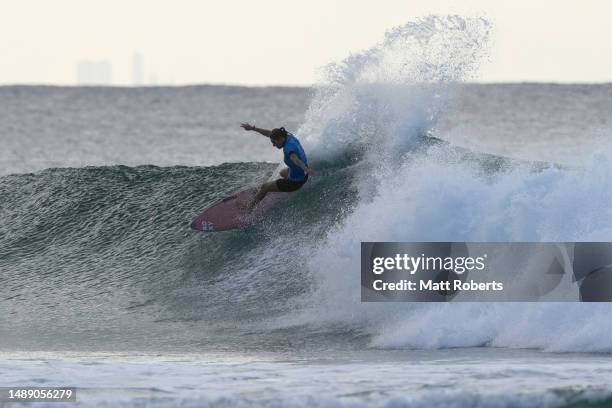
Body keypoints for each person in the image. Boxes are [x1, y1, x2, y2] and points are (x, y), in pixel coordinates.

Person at [240, 123, 314, 210]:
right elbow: (269, 134)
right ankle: (274, 187)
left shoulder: (288, 148)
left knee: (264, 187)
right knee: (282, 172)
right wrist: (253, 129)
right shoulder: (288, 136)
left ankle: (249, 208)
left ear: (280, 139)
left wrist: (306, 169)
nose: (273, 145)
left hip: (295, 183)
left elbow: (295, 159)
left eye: (274, 142)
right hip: (303, 176)